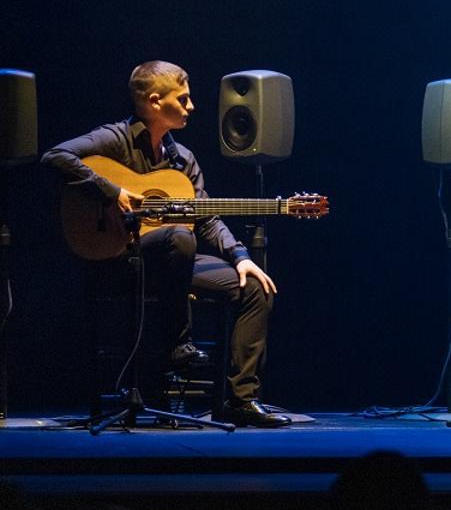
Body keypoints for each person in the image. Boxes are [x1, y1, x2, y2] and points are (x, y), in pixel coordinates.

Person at [42, 61, 290, 427]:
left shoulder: (182, 159)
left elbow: (204, 214)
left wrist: (239, 256)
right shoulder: (115, 139)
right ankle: (177, 344)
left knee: (255, 286)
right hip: (117, 260)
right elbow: (56, 156)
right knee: (179, 236)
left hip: (173, 263)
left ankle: (240, 399)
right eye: (184, 99)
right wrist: (111, 191)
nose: (192, 107)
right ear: (156, 102)